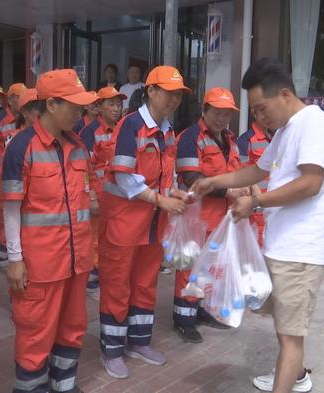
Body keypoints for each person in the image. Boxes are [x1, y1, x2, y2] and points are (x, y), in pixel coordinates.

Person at [190, 58, 324, 393]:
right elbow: (256, 171)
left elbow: (310, 184)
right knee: (283, 323)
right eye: (254, 111)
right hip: (281, 245)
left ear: (284, 93)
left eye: (261, 108)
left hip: (301, 252)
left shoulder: (315, 125)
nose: (259, 117)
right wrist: (212, 181)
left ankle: (290, 379)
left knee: (290, 337)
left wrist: (256, 201)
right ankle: (296, 376)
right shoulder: (286, 131)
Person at [2, 69, 97, 393]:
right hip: (40, 265)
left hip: (76, 260)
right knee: (35, 333)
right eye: (74, 105)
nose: (80, 112)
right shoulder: (21, 147)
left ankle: (63, 384)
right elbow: (11, 209)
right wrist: (15, 259)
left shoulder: (78, 145)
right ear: (52, 105)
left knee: (72, 328)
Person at [98, 65, 190, 379]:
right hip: (125, 224)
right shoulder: (131, 126)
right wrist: (160, 200)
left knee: (145, 284)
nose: (175, 100)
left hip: (153, 225)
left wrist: (175, 193)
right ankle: (111, 349)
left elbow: (167, 175)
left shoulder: (167, 130)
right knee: (117, 286)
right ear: (151, 90)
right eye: (169, 93)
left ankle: (138, 341)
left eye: (179, 95)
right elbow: (124, 178)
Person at [173, 87, 248, 343]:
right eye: (217, 112)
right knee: (190, 268)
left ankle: (200, 311)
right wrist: (229, 191)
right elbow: (192, 179)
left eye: (227, 114)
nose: (222, 118)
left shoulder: (230, 139)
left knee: (211, 268)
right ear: (204, 110)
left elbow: (237, 171)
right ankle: (183, 319)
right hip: (197, 216)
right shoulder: (190, 137)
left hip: (221, 218)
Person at [78, 86, 126, 300]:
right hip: (99, 195)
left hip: (117, 197)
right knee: (95, 239)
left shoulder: (122, 129)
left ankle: (104, 277)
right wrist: (92, 197)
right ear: (99, 107)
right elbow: (83, 168)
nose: (116, 109)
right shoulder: (89, 133)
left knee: (111, 239)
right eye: (111, 104)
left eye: (119, 104)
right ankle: (93, 281)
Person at [0, 82, 28, 264]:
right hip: (0, 175)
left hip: (22, 175)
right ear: (10, 99)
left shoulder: (27, 120)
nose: (24, 101)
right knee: (3, 213)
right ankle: (4, 252)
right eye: (20, 97)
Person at [236, 108, 272, 242]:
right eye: (263, 111)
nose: (267, 116)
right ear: (255, 113)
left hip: (274, 205)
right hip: (255, 209)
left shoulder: (276, 138)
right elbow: (240, 171)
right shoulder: (245, 140)